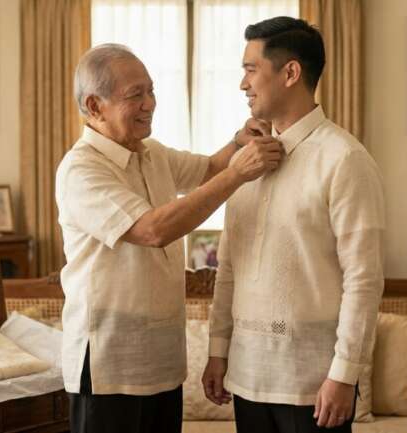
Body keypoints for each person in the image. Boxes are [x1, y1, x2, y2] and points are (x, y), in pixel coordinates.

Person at [56, 43, 283, 433]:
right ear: (95, 107)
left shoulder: (151, 152)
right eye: (135, 95)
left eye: (151, 90)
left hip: (161, 363)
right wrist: (239, 173)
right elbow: (152, 229)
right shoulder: (80, 170)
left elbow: (209, 169)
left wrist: (238, 142)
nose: (150, 103)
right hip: (109, 367)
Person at [202, 17, 385, 433]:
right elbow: (229, 264)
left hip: (314, 386)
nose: (242, 84)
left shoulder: (345, 159)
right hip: (246, 380)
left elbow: (364, 279)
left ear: (290, 73)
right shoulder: (244, 160)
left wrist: (344, 375)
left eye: (251, 69)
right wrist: (218, 350)